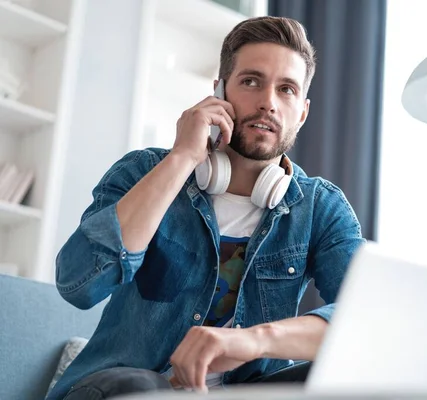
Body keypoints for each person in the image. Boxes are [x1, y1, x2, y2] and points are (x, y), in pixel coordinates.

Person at [46, 16, 365, 400]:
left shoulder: (320, 208)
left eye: (286, 90)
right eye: (251, 81)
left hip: (243, 392)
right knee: (139, 388)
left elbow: (364, 318)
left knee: (349, 378)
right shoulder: (143, 171)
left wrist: (255, 340)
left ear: (302, 112)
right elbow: (78, 284)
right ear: (218, 91)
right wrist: (181, 158)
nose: (268, 102)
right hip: (124, 385)